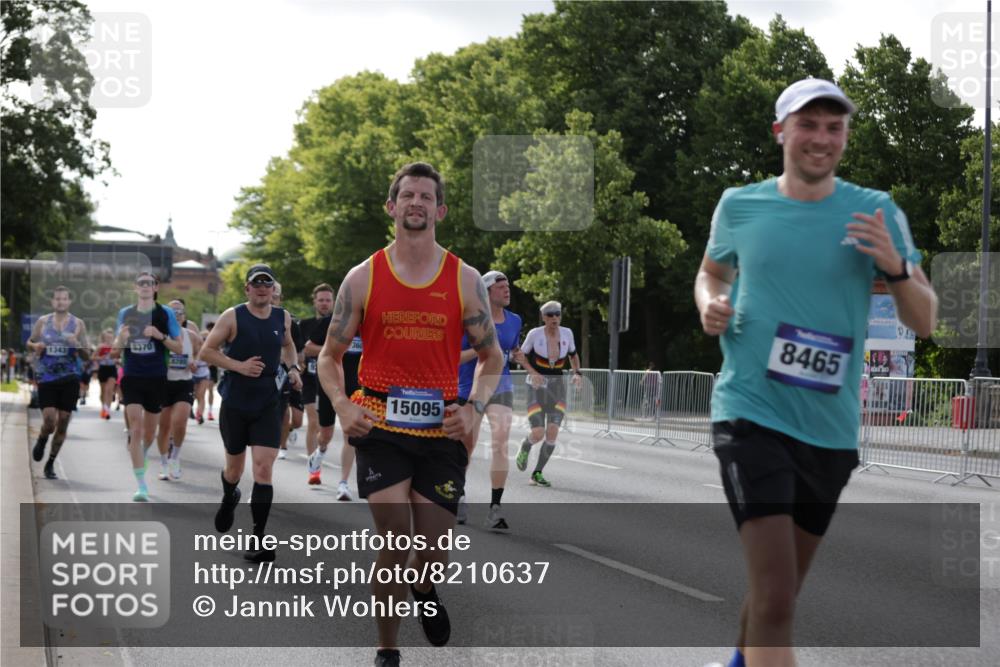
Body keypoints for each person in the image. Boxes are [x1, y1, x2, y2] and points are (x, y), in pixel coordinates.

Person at [694, 78, 937, 667]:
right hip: (750, 413)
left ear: (846, 135)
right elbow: (711, 273)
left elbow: (927, 320)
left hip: (829, 430)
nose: (822, 138)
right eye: (808, 124)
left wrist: (894, 268)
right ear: (781, 132)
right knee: (777, 597)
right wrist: (709, 303)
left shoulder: (876, 210)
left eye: (835, 126)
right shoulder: (740, 205)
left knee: (778, 591)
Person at [317, 162, 502, 667]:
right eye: (408, 195)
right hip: (379, 419)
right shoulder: (363, 277)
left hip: (441, 424)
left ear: (440, 210)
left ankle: (424, 585)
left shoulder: (464, 279)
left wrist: (474, 409)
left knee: (434, 548)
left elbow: (492, 357)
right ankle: (387, 649)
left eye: (426, 196)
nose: (416, 202)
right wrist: (343, 404)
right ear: (391, 206)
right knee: (395, 537)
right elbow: (329, 357)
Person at [199, 264, 302, 563]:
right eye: (256, 284)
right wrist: (239, 366)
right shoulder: (232, 316)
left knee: (263, 469)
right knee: (234, 470)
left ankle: (258, 538)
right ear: (247, 288)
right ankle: (229, 495)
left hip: (268, 402)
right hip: (236, 402)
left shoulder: (282, 317)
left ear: (273, 289)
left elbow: (288, 346)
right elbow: (206, 352)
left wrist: (293, 368)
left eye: (267, 284)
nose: (262, 289)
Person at [455, 270, 521, 529]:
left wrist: (514, 356)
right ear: (487, 291)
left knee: (501, 441)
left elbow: (511, 350)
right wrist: (484, 349)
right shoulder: (469, 320)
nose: (507, 290)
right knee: (467, 446)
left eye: (508, 286)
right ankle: (459, 495)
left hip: (501, 385)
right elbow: (455, 357)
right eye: (501, 286)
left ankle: (495, 507)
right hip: (469, 388)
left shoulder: (515, 320)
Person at [112, 272, 184, 501]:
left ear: (155, 287)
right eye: (141, 283)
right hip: (132, 376)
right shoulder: (125, 313)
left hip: (156, 377)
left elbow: (179, 348)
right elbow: (114, 351)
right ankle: (141, 485)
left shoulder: (165, 313)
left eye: (149, 283)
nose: (144, 286)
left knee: (150, 433)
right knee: (136, 428)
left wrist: (159, 336)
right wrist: (121, 339)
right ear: (135, 288)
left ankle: (141, 452)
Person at [513, 301, 582, 487]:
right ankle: (526, 445)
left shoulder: (567, 333)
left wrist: (577, 373)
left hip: (557, 388)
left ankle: (537, 473)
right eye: (550, 315)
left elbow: (573, 355)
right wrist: (533, 372)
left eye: (557, 314)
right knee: (538, 433)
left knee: (552, 433)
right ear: (543, 317)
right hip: (535, 388)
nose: (554, 318)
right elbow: (519, 356)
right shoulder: (534, 334)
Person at [27, 286, 91, 480]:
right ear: (52, 301)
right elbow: (29, 343)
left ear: (69, 301)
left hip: (70, 378)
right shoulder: (43, 322)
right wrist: (36, 346)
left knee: (63, 422)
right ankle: (42, 438)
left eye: (64, 299)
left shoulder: (78, 324)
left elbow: (87, 354)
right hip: (47, 378)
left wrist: (76, 344)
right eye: (57, 299)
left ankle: (50, 463)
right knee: (49, 422)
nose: (60, 302)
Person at [304, 310, 357, 499]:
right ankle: (320, 452)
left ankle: (343, 483)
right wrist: (333, 348)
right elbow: (309, 348)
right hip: (330, 385)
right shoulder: (332, 320)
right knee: (326, 434)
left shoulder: (370, 321)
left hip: (356, 387)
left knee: (350, 434)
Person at [154, 300, 202, 481]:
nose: (177, 315)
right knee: (164, 426)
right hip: (163, 384)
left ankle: (175, 458)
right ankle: (164, 463)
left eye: (180, 312)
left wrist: (195, 362)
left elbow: (201, 351)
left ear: (184, 317)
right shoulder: (160, 336)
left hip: (184, 383)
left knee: (180, 422)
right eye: (172, 313)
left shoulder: (191, 336)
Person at [299, 283, 336, 484]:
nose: (324, 304)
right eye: (321, 300)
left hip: (330, 379)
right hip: (310, 379)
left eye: (328, 300)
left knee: (324, 426)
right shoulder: (305, 325)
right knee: (313, 421)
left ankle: (318, 454)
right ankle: (314, 470)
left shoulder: (339, 324)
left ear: (333, 302)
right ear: (314, 302)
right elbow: (303, 350)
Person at [271, 282, 304, 460]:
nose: (271, 298)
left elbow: (299, 351)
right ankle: (282, 446)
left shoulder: (289, 321)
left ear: (280, 298)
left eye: (275, 296)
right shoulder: (254, 318)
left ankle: (289, 429)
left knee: (297, 420)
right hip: (272, 375)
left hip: (290, 372)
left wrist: (296, 368)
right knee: (282, 413)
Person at [95, 329, 117, 419]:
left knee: (109, 390)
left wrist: (117, 359)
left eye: (111, 337)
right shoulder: (100, 346)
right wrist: (101, 358)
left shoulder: (115, 346)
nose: (109, 339)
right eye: (107, 337)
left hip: (112, 369)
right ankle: (103, 407)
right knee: (103, 391)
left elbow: (120, 356)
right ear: (104, 338)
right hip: (103, 369)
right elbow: (93, 357)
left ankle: (107, 411)